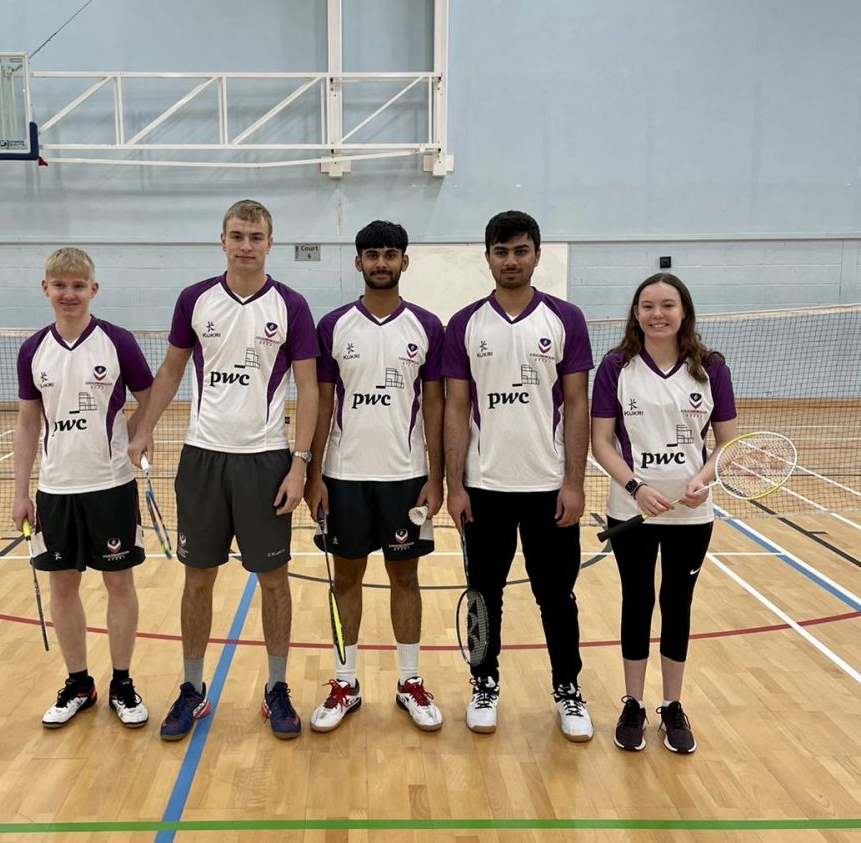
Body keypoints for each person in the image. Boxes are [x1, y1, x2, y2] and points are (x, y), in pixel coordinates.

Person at [128, 200, 319, 741]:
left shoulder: (292, 306)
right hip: (202, 459)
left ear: (270, 244)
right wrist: (143, 428)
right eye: (237, 235)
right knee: (197, 581)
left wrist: (299, 464)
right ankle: (193, 689)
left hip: (266, 461)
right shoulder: (195, 299)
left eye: (256, 237)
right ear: (222, 240)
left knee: (275, 582)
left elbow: (308, 389)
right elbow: (169, 370)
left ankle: (276, 688)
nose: (246, 245)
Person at [442, 210, 594, 741]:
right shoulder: (463, 324)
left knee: (558, 596)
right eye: (501, 252)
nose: (511, 260)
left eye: (520, 250)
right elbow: (456, 408)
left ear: (536, 254)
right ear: (487, 257)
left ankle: (568, 691)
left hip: (549, 487)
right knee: (484, 593)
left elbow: (577, 404)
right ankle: (484, 684)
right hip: (485, 489)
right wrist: (454, 485)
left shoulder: (565, 319)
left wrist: (574, 483)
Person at [304, 220, 445, 733]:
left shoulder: (428, 327)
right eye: (372, 255)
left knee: (405, 578)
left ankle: (409, 682)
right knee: (346, 578)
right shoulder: (333, 325)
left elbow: (434, 403)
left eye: (390, 254)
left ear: (404, 261)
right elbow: (321, 402)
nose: (381, 263)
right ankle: (346, 683)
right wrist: (313, 473)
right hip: (343, 476)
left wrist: (436, 475)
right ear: (358, 262)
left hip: (406, 477)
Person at [591, 272, 737, 754]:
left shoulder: (710, 366)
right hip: (632, 511)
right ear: (635, 313)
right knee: (637, 602)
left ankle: (671, 706)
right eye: (648, 305)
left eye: (668, 305)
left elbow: (727, 443)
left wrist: (705, 478)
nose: (658, 314)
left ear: (684, 312)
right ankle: (632, 702)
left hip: (691, 514)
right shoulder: (616, 366)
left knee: (677, 605)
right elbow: (601, 441)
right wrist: (635, 486)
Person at [12, 247, 153, 729]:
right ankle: (78, 683)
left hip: (111, 485)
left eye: (78, 286)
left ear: (93, 289)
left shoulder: (117, 341)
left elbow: (150, 397)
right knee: (63, 585)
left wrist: (139, 435)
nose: (68, 294)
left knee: (119, 583)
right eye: (60, 285)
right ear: (45, 288)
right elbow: (28, 423)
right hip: (55, 490)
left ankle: (122, 681)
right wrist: (20, 491)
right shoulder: (33, 350)